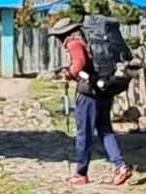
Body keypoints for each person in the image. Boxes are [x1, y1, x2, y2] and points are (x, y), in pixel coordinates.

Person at [54, 15, 135, 185]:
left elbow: (79, 64)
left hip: (89, 93)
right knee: (105, 129)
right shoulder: (90, 39)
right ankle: (120, 166)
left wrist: (69, 73)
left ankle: (81, 173)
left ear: (63, 34)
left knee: (84, 133)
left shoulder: (74, 42)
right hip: (104, 88)